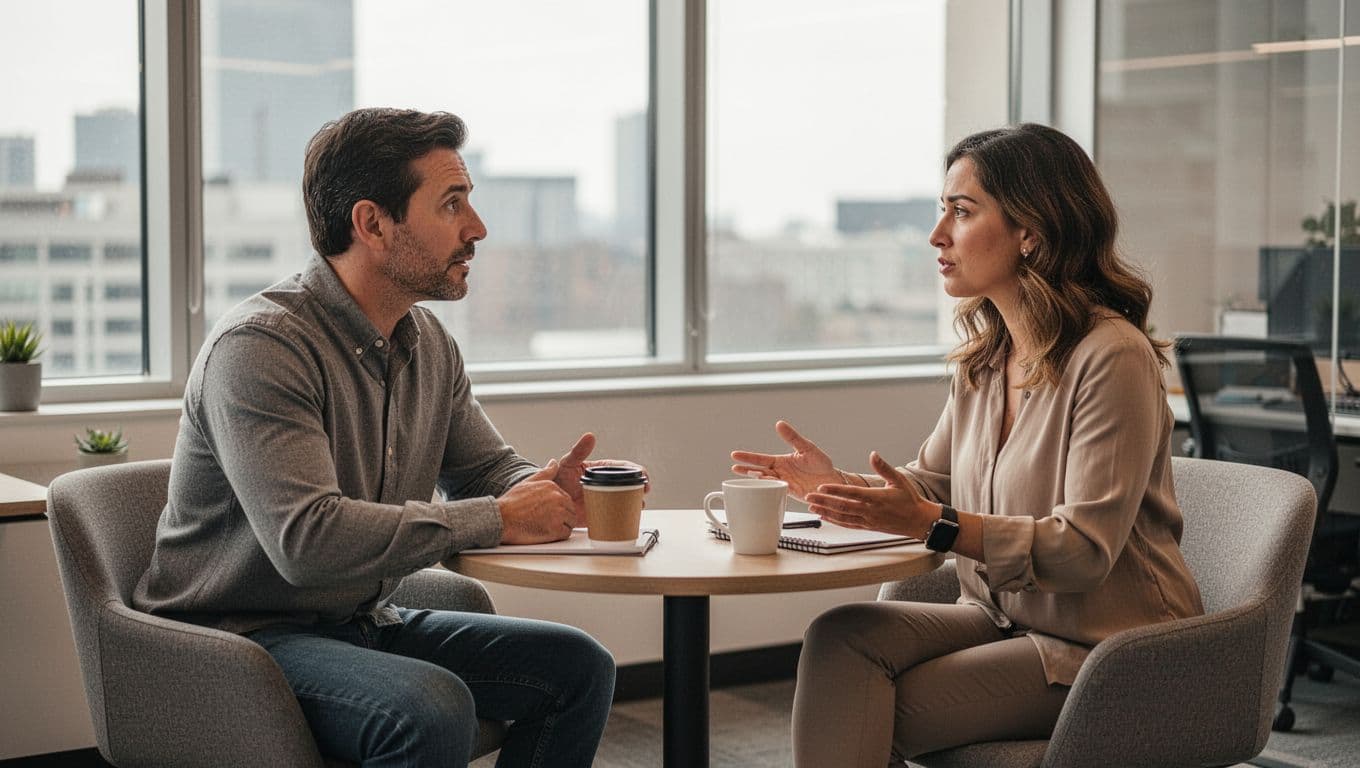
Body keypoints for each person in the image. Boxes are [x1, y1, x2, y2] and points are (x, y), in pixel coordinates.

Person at [134, 108, 630, 768]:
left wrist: (540, 488)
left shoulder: (428, 345)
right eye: (451, 205)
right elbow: (307, 544)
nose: (476, 229)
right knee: (430, 706)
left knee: (578, 668)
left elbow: (485, 472)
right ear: (372, 223)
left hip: (361, 623)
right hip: (235, 641)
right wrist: (497, 517)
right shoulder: (261, 349)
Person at [731, 123, 1204, 766]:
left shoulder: (1111, 356)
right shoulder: (987, 360)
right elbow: (930, 487)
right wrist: (839, 487)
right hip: (1004, 616)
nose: (937, 235)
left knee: (866, 708)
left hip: (1112, 647)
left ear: (1030, 231)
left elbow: (1084, 551)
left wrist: (938, 526)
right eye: (942, 210)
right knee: (840, 638)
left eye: (961, 211)